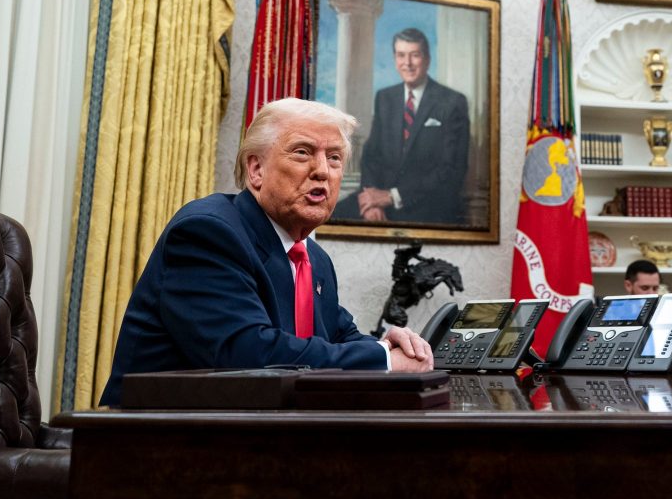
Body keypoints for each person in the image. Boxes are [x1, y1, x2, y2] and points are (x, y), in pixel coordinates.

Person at [100, 98, 433, 406]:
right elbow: (248, 356)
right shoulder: (208, 232)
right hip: (154, 446)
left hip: (254, 439)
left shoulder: (313, 259)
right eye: (303, 152)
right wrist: (384, 360)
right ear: (256, 170)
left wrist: (390, 344)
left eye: (334, 158)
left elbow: (340, 336)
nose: (322, 171)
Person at [334, 28, 470, 225]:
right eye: (401, 55)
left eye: (415, 55)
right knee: (329, 217)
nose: (407, 63)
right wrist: (372, 202)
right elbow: (372, 156)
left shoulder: (452, 102)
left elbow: (451, 170)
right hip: (380, 199)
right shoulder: (385, 97)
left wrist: (392, 196)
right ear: (395, 59)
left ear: (427, 59)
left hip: (426, 204)